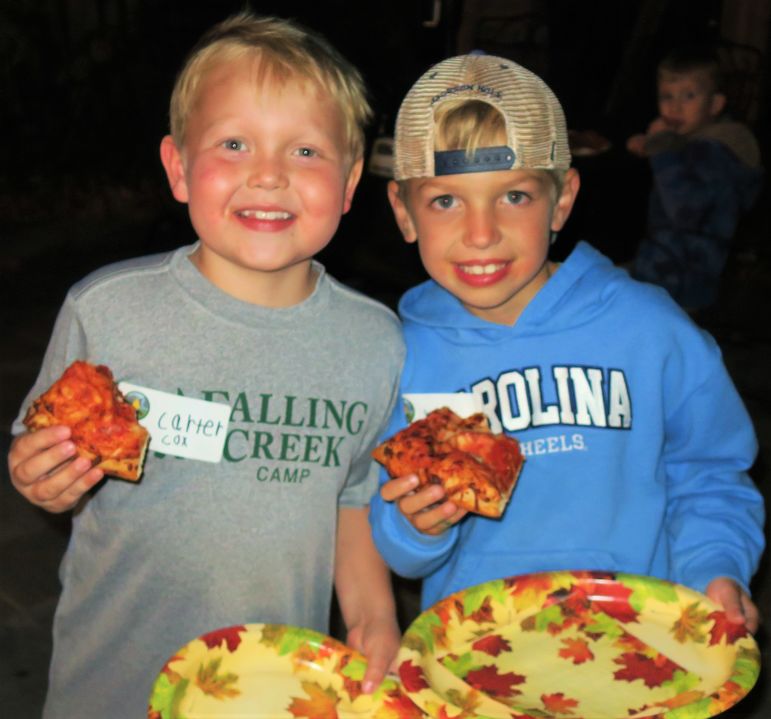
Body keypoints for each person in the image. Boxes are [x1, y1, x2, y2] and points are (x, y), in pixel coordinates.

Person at [7, 13, 404, 719]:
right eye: (233, 142)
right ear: (178, 167)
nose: (269, 173)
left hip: (271, 686)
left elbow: (352, 496)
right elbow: (44, 449)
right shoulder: (106, 310)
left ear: (349, 184)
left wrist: (372, 617)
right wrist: (43, 481)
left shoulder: (376, 342)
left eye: (307, 151)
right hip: (113, 681)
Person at [368, 54, 764, 633]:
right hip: (477, 655)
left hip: (637, 641)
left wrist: (717, 570)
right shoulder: (399, 357)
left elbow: (708, 474)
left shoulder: (651, 331)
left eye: (515, 197)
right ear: (405, 212)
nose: (481, 234)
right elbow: (395, 541)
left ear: (562, 198)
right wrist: (414, 528)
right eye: (446, 201)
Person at [627, 46, 763, 312]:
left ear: (714, 105)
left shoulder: (715, 152)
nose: (675, 107)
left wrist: (661, 148)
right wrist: (654, 144)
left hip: (685, 276)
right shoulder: (697, 141)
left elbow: (685, 211)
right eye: (667, 96)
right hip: (668, 263)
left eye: (689, 96)